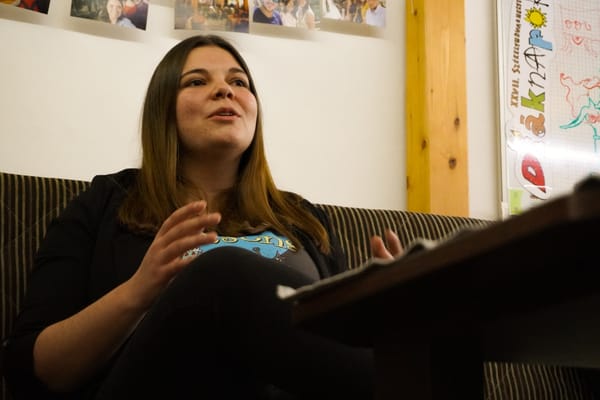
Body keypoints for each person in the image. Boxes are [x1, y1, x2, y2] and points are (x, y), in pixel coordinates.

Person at [2, 34, 403, 399]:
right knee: (221, 270)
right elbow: (35, 369)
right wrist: (138, 292)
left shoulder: (301, 218)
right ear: (163, 108)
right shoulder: (105, 202)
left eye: (239, 82)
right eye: (196, 81)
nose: (225, 89)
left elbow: (335, 347)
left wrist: (388, 314)